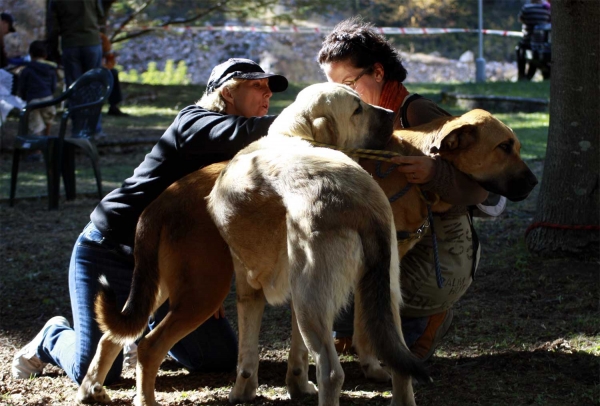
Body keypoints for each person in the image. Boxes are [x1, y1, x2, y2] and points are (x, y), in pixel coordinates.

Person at [12, 58, 289, 386]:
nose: (267, 94)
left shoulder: (248, 154)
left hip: (170, 263)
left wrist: (204, 288)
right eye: (257, 86)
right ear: (228, 92)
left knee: (216, 358)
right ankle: (52, 337)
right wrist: (304, 119)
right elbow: (240, 132)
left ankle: (146, 336)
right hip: (111, 251)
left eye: (269, 89)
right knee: (96, 370)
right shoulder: (194, 121)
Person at [317, 17, 502, 361]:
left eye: (349, 83)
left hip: (440, 250)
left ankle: (434, 316)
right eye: (334, 88)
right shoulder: (354, 122)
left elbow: (486, 192)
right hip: (387, 237)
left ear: (377, 72)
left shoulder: (417, 113)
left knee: (373, 306)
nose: (342, 95)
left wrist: (434, 173)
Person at [516, 0, 551, 80]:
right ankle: (529, 76)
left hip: (527, 40)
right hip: (542, 42)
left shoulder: (527, 8)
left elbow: (520, 19)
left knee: (520, 50)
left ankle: (521, 76)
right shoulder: (546, 9)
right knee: (535, 57)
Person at [100, 32, 128, 116]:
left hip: (100, 68)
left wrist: (106, 67)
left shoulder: (101, 38)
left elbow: (110, 57)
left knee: (113, 73)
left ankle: (113, 106)